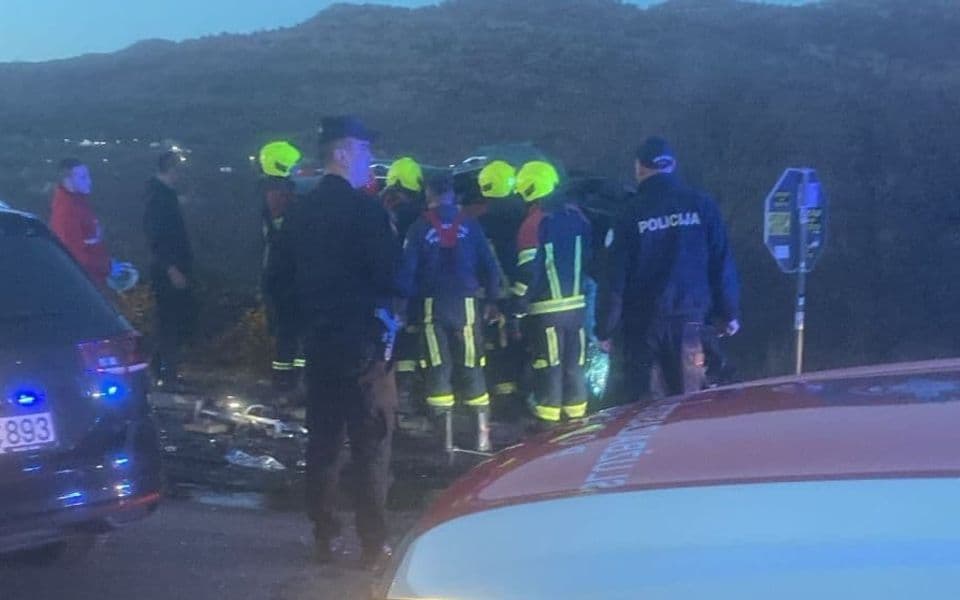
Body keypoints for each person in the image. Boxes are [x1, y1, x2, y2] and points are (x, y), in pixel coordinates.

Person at [266, 116, 398, 567]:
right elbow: (392, 276)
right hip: (362, 346)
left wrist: (297, 331)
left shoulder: (298, 214)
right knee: (370, 444)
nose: (371, 159)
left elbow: (277, 282)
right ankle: (373, 543)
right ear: (342, 153)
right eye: (364, 150)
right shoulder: (367, 212)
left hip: (319, 343)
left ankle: (325, 535)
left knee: (323, 442)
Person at [597, 137, 741, 401]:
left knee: (645, 411)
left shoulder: (629, 214)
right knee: (689, 406)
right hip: (692, 325)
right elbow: (721, 263)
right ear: (672, 165)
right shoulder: (702, 205)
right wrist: (728, 312)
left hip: (642, 329)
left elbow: (613, 280)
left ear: (639, 168)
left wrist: (605, 328)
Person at [396, 172, 501, 452]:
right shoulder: (471, 224)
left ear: (428, 194)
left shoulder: (419, 227)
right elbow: (490, 267)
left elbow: (407, 272)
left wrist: (402, 308)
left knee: (438, 367)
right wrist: (492, 301)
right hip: (466, 305)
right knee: (472, 365)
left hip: (434, 305)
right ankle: (482, 439)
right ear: (452, 194)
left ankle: (445, 443)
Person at [513, 161, 592, 426]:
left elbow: (528, 273)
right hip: (577, 310)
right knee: (574, 369)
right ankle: (578, 427)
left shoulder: (534, 223)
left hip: (546, 312)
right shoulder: (578, 217)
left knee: (550, 369)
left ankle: (548, 431)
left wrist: (516, 306)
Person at [143, 151, 195, 388]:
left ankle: (158, 370)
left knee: (171, 321)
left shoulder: (163, 195)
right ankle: (168, 375)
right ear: (170, 169)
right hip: (167, 271)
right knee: (169, 323)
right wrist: (171, 268)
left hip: (170, 267)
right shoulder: (159, 198)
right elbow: (157, 238)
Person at [258, 140, 306, 392]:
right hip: (286, 276)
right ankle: (290, 385)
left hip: (279, 275)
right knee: (292, 333)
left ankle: (287, 384)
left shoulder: (272, 190)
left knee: (288, 334)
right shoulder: (279, 194)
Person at [49, 158, 110, 288]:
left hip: (93, 278)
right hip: (86, 283)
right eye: (83, 177)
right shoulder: (66, 211)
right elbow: (74, 254)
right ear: (68, 180)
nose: (89, 181)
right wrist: (107, 267)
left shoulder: (77, 201)